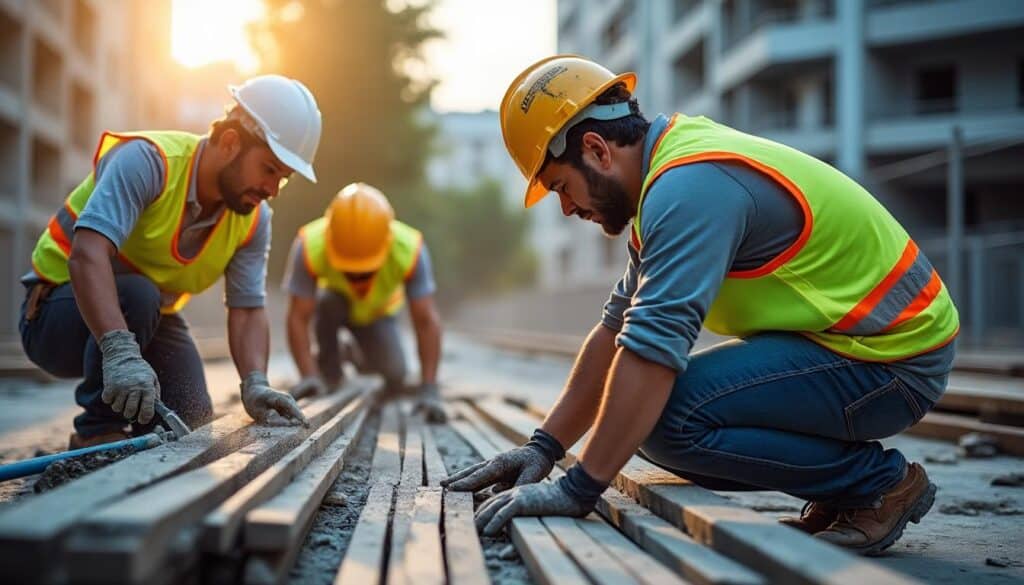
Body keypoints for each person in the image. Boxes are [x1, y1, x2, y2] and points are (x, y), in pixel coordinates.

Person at [443, 55, 959, 556]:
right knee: (637, 419)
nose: (567, 207)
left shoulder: (689, 188)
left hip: (893, 360)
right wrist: (543, 448)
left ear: (598, 150)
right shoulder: (668, 178)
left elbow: (651, 349)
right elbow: (615, 329)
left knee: (663, 417)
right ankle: (845, 488)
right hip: (851, 345)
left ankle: (877, 485)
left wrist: (578, 488)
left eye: (561, 185)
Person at [20, 75, 323, 448]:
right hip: (55, 316)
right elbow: (87, 255)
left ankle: (142, 444)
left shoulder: (253, 218)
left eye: (284, 179)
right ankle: (97, 434)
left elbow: (247, 308)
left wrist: (256, 381)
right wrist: (118, 352)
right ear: (230, 142)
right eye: (269, 169)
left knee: (192, 417)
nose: (272, 190)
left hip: (145, 318)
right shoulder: (149, 163)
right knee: (140, 293)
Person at [282, 182, 445, 422]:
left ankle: (351, 353)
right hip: (334, 310)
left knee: (395, 374)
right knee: (327, 302)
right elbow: (298, 317)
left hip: (378, 316)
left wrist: (429, 388)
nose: (357, 279)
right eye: (350, 271)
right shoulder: (309, 244)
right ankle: (329, 372)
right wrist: (308, 376)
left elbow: (426, 321)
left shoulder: (410, 249)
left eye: (365, 272)